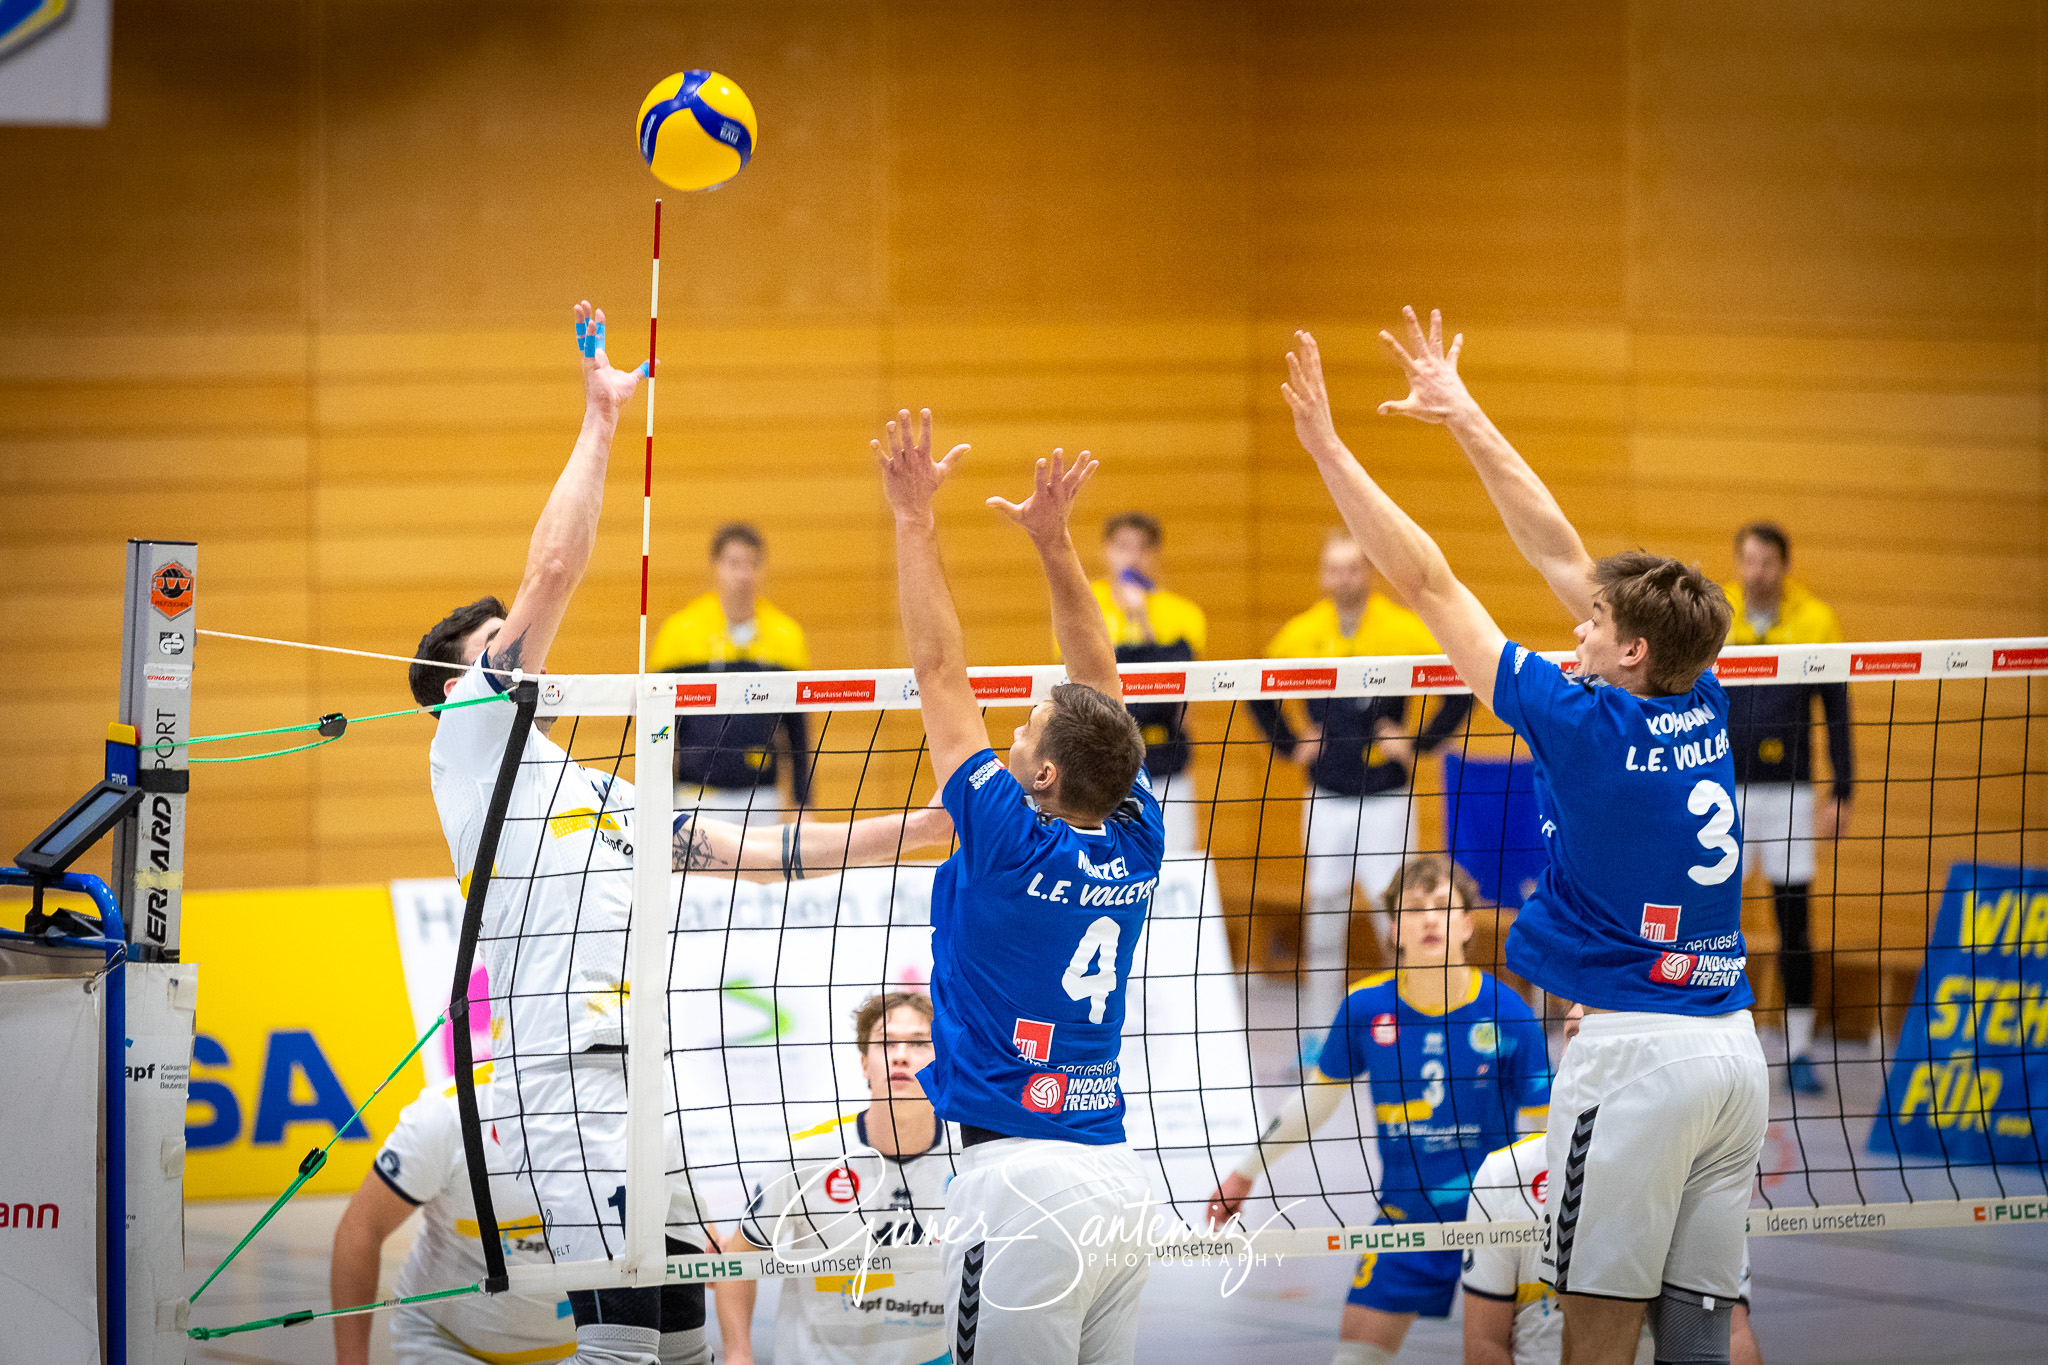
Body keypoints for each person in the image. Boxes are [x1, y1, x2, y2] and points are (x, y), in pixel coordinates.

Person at [407, 305, 954, 1365]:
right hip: (562, 1086)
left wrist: (921, 828)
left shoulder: (600, 792)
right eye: (495, 647)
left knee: (686, 1348)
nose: (523, 653)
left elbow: (761, 858)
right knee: (615, 1351)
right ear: (457, 684)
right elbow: (552, 575)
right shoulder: (472, 744)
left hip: (649, 1085)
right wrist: (602, 420)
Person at [1284, 307, 1767, 1365]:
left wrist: (1327, 449)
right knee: (1699, 1331)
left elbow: (1426, 583)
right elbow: (1558, 550)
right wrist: (1461, 413)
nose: (1573, 626)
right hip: (1734, 1052)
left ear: (1630, 649)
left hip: (1632, 1056)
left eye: (1593, 625)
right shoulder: (1697, 691)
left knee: (1591, 1323)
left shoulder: (1576, 718)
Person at [871, 410, 1163, 1364]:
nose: (1011, 730)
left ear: (1042, 776)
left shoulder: (1006, 840)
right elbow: (1102, 685)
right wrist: (1054, 543)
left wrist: (914, 518)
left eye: (1026, 728)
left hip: (1020, 1182)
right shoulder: (1137, 831)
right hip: (1119, 1178)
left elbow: (938, 668)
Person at [1206, 855, 1550, 1365]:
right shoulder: (1364, 1008)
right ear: (1394, 930)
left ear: (1466, 923)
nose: (1429, 919)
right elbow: (1317, 1103)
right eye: (1414, 909)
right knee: (1351, 1360)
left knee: (1490, 1355)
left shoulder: (1510, 1014)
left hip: (1497, 1224)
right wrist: (1244, 1173)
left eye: (1442, 907)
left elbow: (1546, 1132)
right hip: (1405, 1221)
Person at [1250, 530, 1475, 1051]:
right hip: (1326, 798)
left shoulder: (1401, 628)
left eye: (1354, 567)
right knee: (1324, 918)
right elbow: (1255, 691)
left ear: (1368, 571)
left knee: (1397, 915)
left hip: (1388, 802)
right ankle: (1323, 1039)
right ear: (1323, 575)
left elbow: (1461, 683)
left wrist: (1418, 742)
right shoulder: (1302, 634)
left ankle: (1410, 1029)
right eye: (1335, 568)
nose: (1344, 577)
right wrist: (1291, 744)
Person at [1461, 1007, 1765, 1365]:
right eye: (1575, 1033)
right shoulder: (1504, 1174)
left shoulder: (1697, 1169)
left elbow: (1734, 1334)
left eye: (1600, 1034)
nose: (1586, 1046)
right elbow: (1485, 1345)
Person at [717, 991, 959, 1365]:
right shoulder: (809, 1155)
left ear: (943, 1061)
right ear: (865, 1064)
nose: (900, 1055)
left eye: (919, 1043)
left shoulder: (969, 1160)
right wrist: (737, 1354)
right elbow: (736, 1263)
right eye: (885, 1043)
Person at [1722, 521, 1853, 1095]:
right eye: (1747, 561)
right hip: (1720, 793)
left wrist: (1843, 789)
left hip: (1792, 796)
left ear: (1783, 565)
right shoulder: (1716, 613)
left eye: (1766, 562)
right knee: (1712, 920)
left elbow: (1838, 711)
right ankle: (1713, 1044)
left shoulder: (1816, 622)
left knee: (1793, 922)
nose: (1755, 573)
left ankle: (1798, 1048)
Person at [332, 1072, 577, 1365]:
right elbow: (362, 1226)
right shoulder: (446, 1115)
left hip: (591, 1350)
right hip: (448, 1347)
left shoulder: (628, 1109)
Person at [650, 524, 815, 827]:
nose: (743, 575)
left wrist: (805, 802)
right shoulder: (679, 633)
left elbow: (799, 733)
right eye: (733, 564)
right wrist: (660, 797)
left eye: (752, 564)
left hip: (761, 797)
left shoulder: (786, 637)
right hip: (696, 797)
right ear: (715, 568)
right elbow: (658, 728)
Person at [1090, 511, 1210, 855]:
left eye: (1142, 548)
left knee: (1175, 855)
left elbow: (1175, 684)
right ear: (1106, 550)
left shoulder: (1184, 614)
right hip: (1102, 766)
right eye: (1122, 546)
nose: (1131, 557)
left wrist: (1142, 622)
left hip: (1166, 760)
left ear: (1155, 554)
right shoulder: (1085, 607)